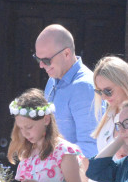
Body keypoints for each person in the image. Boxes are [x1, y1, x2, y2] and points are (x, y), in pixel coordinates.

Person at [35, 24, 97, 157]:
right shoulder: (52, 80)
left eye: (46, 60)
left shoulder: (84, 87)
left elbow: (90, 147)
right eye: (38, 59)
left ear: (67, 53)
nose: (41, 65)